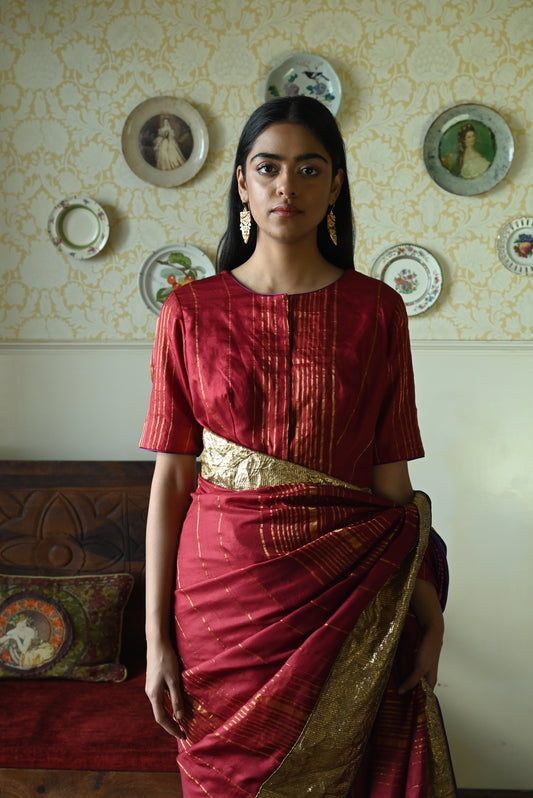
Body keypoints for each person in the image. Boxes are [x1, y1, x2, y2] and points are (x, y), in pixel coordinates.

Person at [140, 96, 456, 797]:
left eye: (309, 168)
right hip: (217, 605)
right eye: (268, 167)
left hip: (344, 593)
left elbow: (388, 472)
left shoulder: (377, 310)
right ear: (243, 185)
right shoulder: (187, 311)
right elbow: (170, 481)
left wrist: (423, 598)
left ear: (335, 185)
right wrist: (156, 642)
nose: (288, 185)